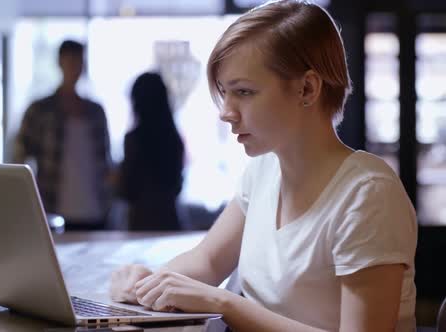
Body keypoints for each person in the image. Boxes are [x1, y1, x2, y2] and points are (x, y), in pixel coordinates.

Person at [109, 1, 417, 331]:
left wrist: (224, 303)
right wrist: (146, 283)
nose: (226, 111)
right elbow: (208, 260)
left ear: (307, 88)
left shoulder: (367, 195)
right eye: (225, 93)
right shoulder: (264, 171)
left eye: (243, 91)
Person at [17, 40, 112, 231]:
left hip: (94, 209)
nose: (74, 68)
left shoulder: (95, 112)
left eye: (79, 62)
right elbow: (21, 157)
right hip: (53, 208)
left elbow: (104, 162)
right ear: (60, 63)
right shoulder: (40, 110)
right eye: (70, 61)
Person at [116, 72, 185, 231]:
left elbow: (127, 189)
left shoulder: (134, 139)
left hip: (140, 221)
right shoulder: (173, 139)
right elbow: (177, 185)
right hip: (170, 219)